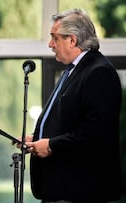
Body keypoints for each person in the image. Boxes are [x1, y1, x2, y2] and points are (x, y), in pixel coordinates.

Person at [24, 9, 122, 203]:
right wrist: (37, 139)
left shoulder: (99, 72)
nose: (50, 44)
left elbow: (94, 133)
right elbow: (69, 122)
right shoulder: (74, 70)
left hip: (81, 191)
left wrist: (51, 146)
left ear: (72, 40)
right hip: (61, 190)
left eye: (55, 38)